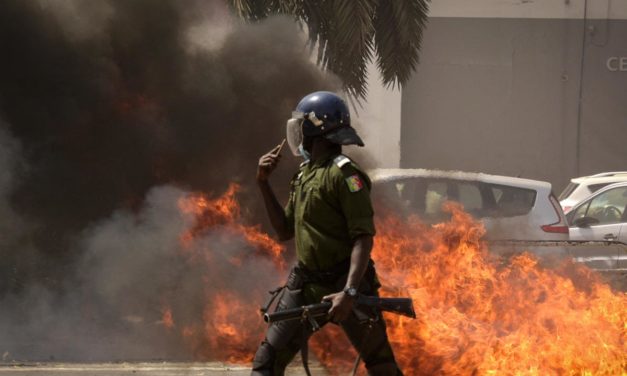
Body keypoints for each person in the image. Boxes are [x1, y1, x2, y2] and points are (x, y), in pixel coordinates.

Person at [252, 91, 403, 375]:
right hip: (306, 283)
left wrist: (350, 292)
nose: (298, 134)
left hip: (344, 282)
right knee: (266, 364)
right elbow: (284, 230)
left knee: (381, 365)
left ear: (314, 130)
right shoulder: (304, 174)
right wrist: (263, 183)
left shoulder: (345, 174)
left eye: (302, 126)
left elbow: (363, 237)